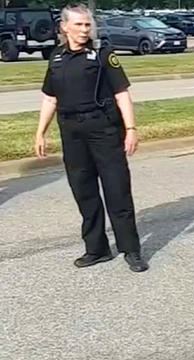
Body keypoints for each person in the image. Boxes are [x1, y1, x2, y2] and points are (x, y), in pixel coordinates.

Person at [34, 3, 148, 273]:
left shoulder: (102, 54)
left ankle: (131, 249)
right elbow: (50, 97)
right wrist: (40, 132)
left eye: (88, 24)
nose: (85, 29)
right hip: (71, 133)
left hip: (103, 130)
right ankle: (96, 249)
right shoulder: (57, 57)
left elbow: (122, 93)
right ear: (64, 27)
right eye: (79, 24)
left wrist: (130, 129)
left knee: (117, 190)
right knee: (84, 191)